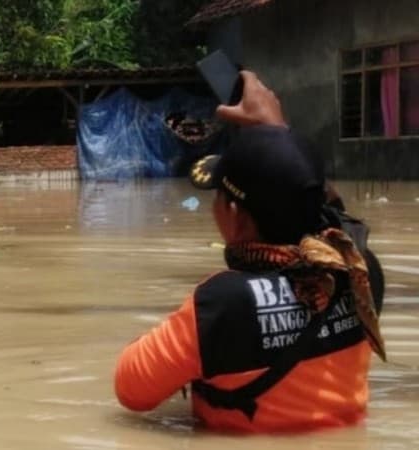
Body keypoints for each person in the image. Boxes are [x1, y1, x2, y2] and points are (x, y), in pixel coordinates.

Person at [114, 71, 387, 433]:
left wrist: (181, 337)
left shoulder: (221, 305)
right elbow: (328, 213)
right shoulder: (360, 272)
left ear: (233, 214)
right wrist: (278, 132)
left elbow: (130, 390)